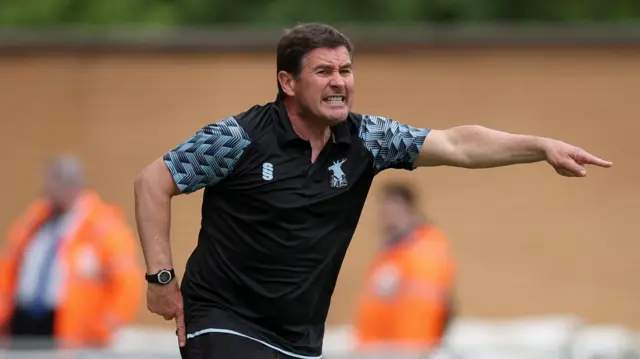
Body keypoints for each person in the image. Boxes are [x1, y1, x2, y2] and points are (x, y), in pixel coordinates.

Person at [133, 23, 612, 359]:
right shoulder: (239, 138)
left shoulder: (368, 139)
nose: (340, 82)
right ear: (288, 82)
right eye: (324, 72)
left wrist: (541, 146)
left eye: (346, 70)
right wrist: (160, 281)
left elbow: (457, 143)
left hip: (299, 335)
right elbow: (153, 181)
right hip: (222, 316)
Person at [0, 155, 143, 349]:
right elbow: (10, 265)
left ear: (72, 187)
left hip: (68, 328)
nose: (46, 192)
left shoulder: (102, 227)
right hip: (21, 321)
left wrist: (103, 327)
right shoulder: (35, 220)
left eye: (53, 185)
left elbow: (127, 281)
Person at [353, 182, 455, 355]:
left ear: (408, 209)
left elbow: (434, 299)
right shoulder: (390, 252)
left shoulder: (424, 246)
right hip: (382, 348)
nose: (384, 216)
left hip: (410, 347)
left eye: (390, 208)